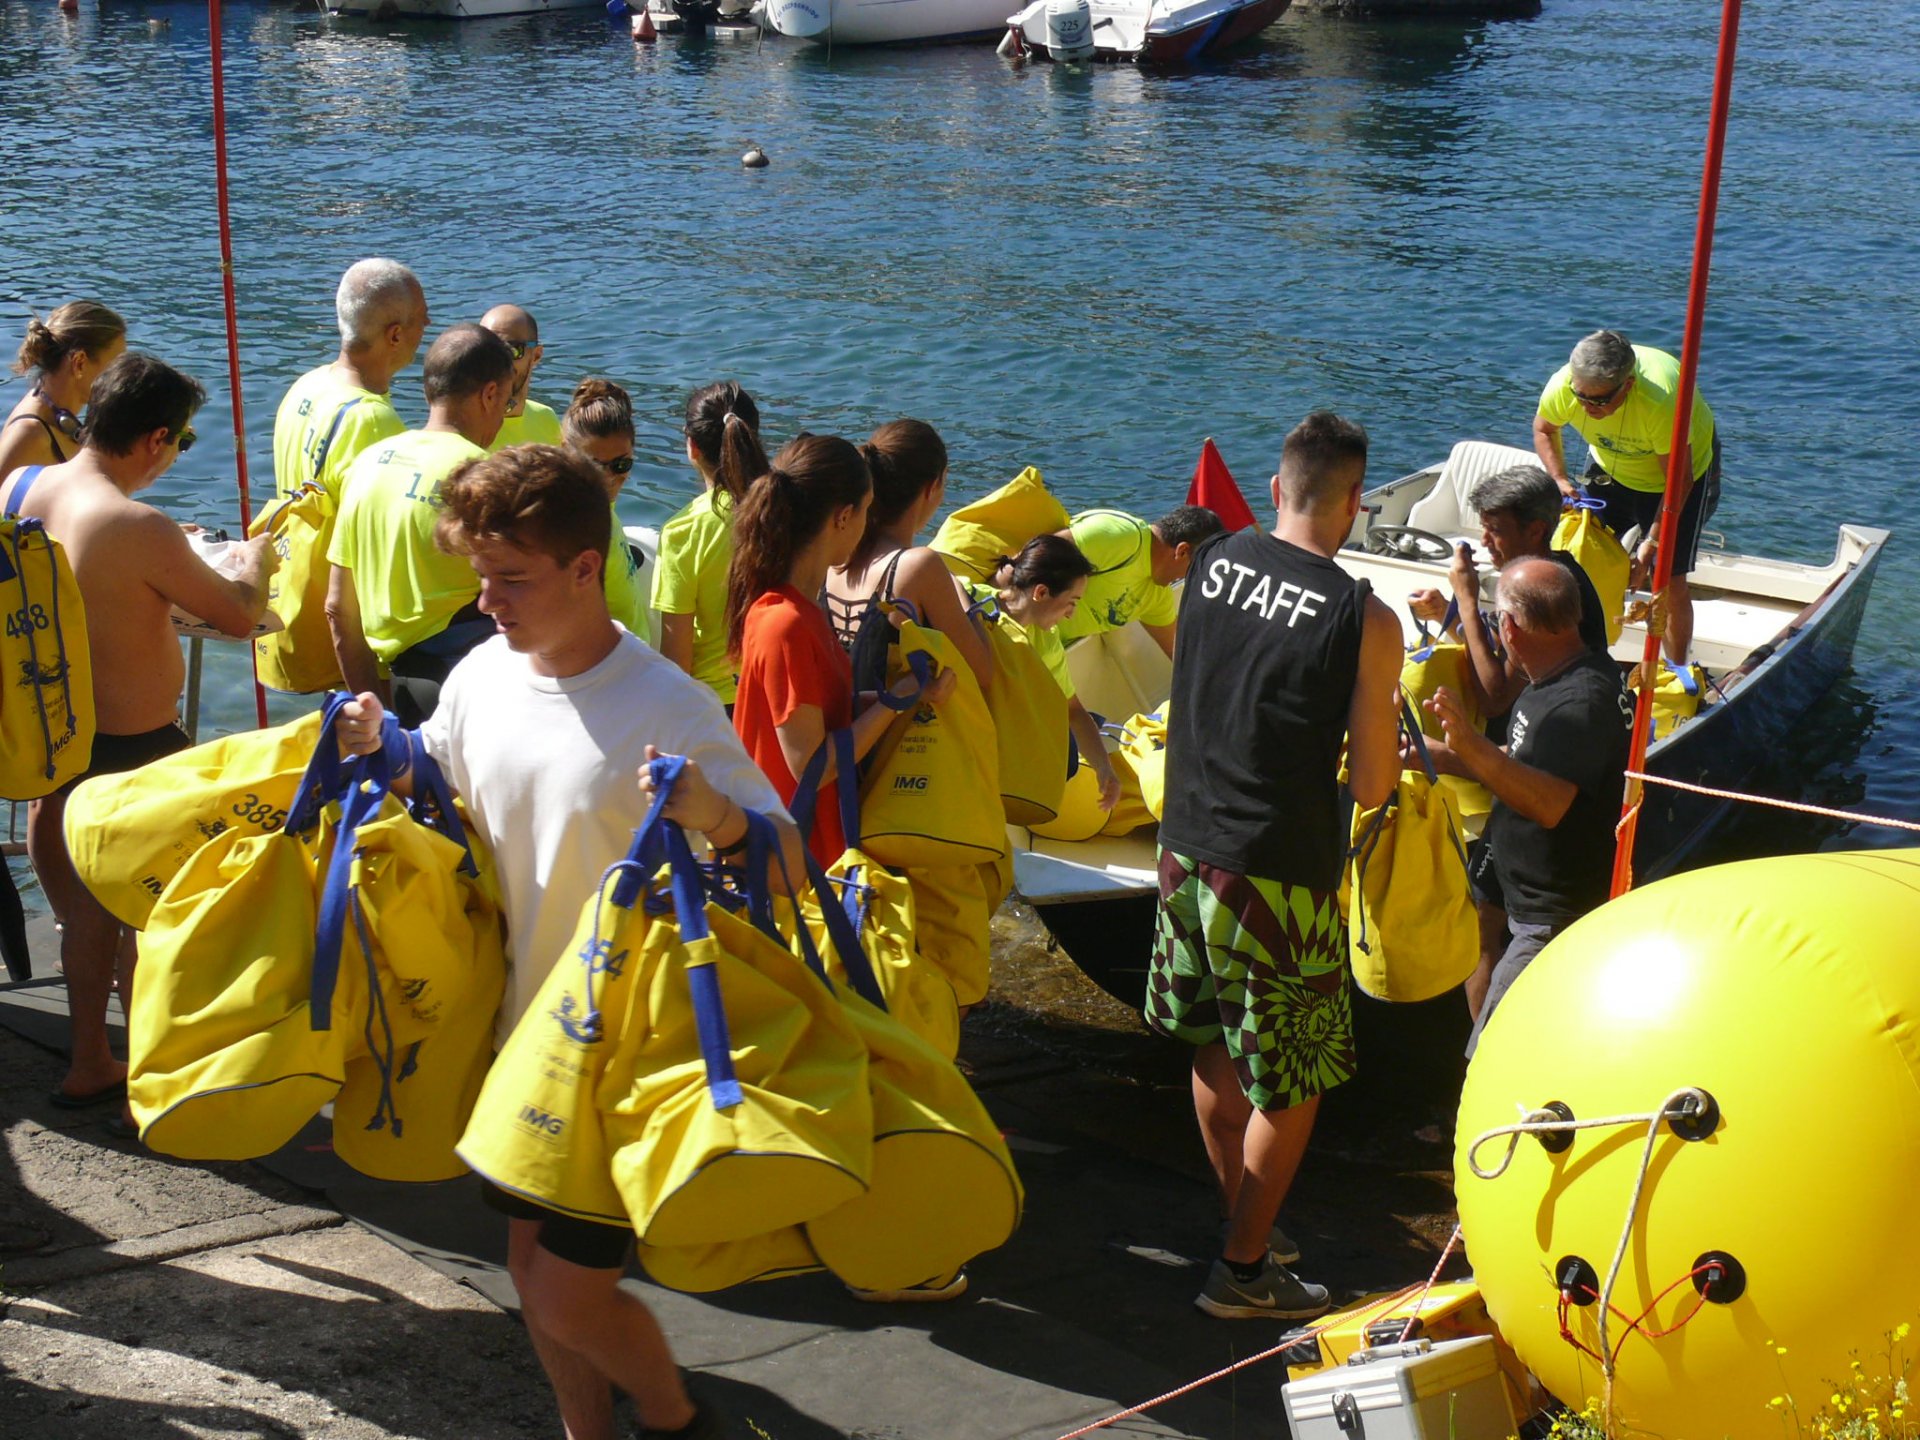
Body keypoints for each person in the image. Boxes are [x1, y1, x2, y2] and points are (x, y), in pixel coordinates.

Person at [336, 443, 798, 1440]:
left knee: (565, 1297)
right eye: (479, 576)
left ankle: (680, 1422)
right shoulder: (478, 674)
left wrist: (713, 812)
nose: (488, 600)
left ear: (588, 569)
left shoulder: (668, 704)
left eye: (512, 579)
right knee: (526, 1272)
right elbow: (455, 797)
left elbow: (789, 863)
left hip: (625, 1052)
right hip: (519, 1044)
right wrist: (391, 751)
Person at [1148, 412, 1401, 1321]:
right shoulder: (1363, 617)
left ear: (1276, 485)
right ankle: (1245, 1270)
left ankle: (1245, 1224)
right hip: (1279, 872)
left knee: (1215, 1045)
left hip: (1185, 846)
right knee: (1293, 1083)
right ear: (1354, 505)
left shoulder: (1211, 562)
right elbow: (1372, 784)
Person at [0, 354, 275, 1108]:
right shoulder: (136, 524)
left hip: (49, 738)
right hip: (130, 748)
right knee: (138, 920)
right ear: (156, 439)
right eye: (182, 443)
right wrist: (255, 560)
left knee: (84, 914)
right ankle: (122, 1064)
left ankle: (99, 1050)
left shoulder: (22, 485)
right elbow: (237, 614)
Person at [1418, 558, 1633, 1057]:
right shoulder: (1567, 673)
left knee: (1494, 1054)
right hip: (1516, 889)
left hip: (1552, 911)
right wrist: (1440, 755)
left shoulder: (1576, 705)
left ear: (1510, 628)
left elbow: (1551, 803)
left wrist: (1470, 745)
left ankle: (1478, 1124)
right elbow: (1523, 769)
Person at [727, 434, 951, 865]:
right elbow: (811, 765)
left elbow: (822, 712)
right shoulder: (785, 622)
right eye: (867, 510)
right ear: (843, 517)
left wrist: (910, 693)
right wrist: (894, 699)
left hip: (800, 849)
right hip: (791, 862)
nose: (870, 523)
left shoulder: (797, 607)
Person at [326, 323, 513, 725]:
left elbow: (338, 610)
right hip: (471, 691)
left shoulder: (366, 464)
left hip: (397, 689)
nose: (503, 416)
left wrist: (376, 714)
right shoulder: (482, 474)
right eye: (506, 401)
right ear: (490, 394)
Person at [265, 260, 426, 691]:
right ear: (394, 335)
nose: (427, 328)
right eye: (420, 322)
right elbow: (380, 547)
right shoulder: (373, 422)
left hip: (291, 606)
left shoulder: (307, 385)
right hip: (344, 636)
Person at [1532, 329, 1721, 663]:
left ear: (1628, 386)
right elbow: (1545, 429)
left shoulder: (1659, 401)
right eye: (1582, 397)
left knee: (1667, 577)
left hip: (1675, 479)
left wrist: (1651, 544)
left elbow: (1679, 480)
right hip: (1610, 467)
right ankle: (1575, 655)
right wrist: (1559, 479)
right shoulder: (1564, 386)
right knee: (1574, 558)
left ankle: (1674, 671)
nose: (1588, 407)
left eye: (1600, 400)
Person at [1407, 462, 1610, 721]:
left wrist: (1466, 600)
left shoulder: (1542, 593)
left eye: (1495, 530)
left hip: (1545, 728)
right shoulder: (1555, 568)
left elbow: (1495, 700)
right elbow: (1495, 645)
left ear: (1536, 530)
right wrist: (1445, 612)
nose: (1483, 541)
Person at [825, 419, 992, 691]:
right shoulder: (917, 566)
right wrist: (963, 597)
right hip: (893, 730)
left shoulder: (836, 557)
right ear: (932, 487)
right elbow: (983, 673)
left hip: (846, 725)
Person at [967, 534, 1119, 813]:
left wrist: (1103, 767)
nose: (1072, 614)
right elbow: (936, 573)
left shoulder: (1045, 641)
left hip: (993, 726)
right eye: (1071, 601)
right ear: (1040, 592)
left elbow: (1072, 710)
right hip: (956, 719)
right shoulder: (971, 598)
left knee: (1066, 759)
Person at [652, 382, 767, 708]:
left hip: (717, 706)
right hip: (781, 691)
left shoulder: (683, 531)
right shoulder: (787, 508)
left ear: (692, 446)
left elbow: (676, 661)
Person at [1054, 505, 1225, 659]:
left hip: (1050, 652)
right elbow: (1032, 560)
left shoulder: (1156, 594)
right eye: (1195, 570)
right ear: (1182, 551)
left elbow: (1182, 657)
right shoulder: (1117, 537)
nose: (1191, 579)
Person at [559, 377, 651, 639]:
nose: (610, 477)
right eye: (596, 465)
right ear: (566, 451)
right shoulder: (570, 528)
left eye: (622, 465)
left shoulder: (601, 506)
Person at [0, 303, 126, 478]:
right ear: (79, 363)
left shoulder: (49, 409)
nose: (121, 376)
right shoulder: (31, 435)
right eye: (115, 365)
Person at [481, 305, 560, 450]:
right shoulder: (464, 428)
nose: (497, 361)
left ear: (536, 355)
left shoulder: (546, 418)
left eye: (511, 350)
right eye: (487, 349)